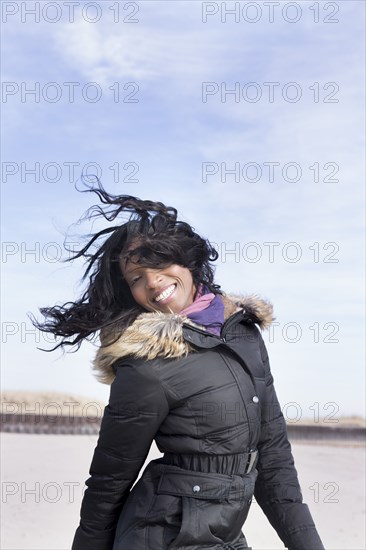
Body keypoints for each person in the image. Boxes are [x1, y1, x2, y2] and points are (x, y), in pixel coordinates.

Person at [33, 183, 325, 550]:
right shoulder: (147, 362)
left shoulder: (244, 333)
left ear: (187, 260)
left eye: (157, 264)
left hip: (225, 534)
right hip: (164, 535)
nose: (152, 283)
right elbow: (110, 479)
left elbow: (273, 456)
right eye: (136, 279)